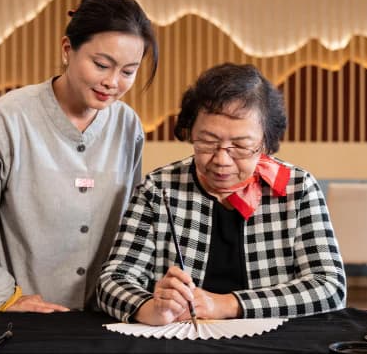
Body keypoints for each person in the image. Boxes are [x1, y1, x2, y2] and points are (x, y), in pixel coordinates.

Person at [0, 0, 158, 312]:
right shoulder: (6, 119)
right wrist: (6, 298)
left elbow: (127, 225)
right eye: (101, 65)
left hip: (90, 316)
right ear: (68, 49)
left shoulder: (128, 126)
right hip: (4, 314)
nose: (111, 82)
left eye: (128, 71)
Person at [97, 62, 346, 324]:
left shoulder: (297, 188)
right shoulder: (159, 189)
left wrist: (226, 304)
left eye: (240, 146)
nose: (221, 160)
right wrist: (151, 307)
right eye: (207, 142)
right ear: (190, 132)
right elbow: (113, 280)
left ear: (266, 142)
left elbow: (330, 287)